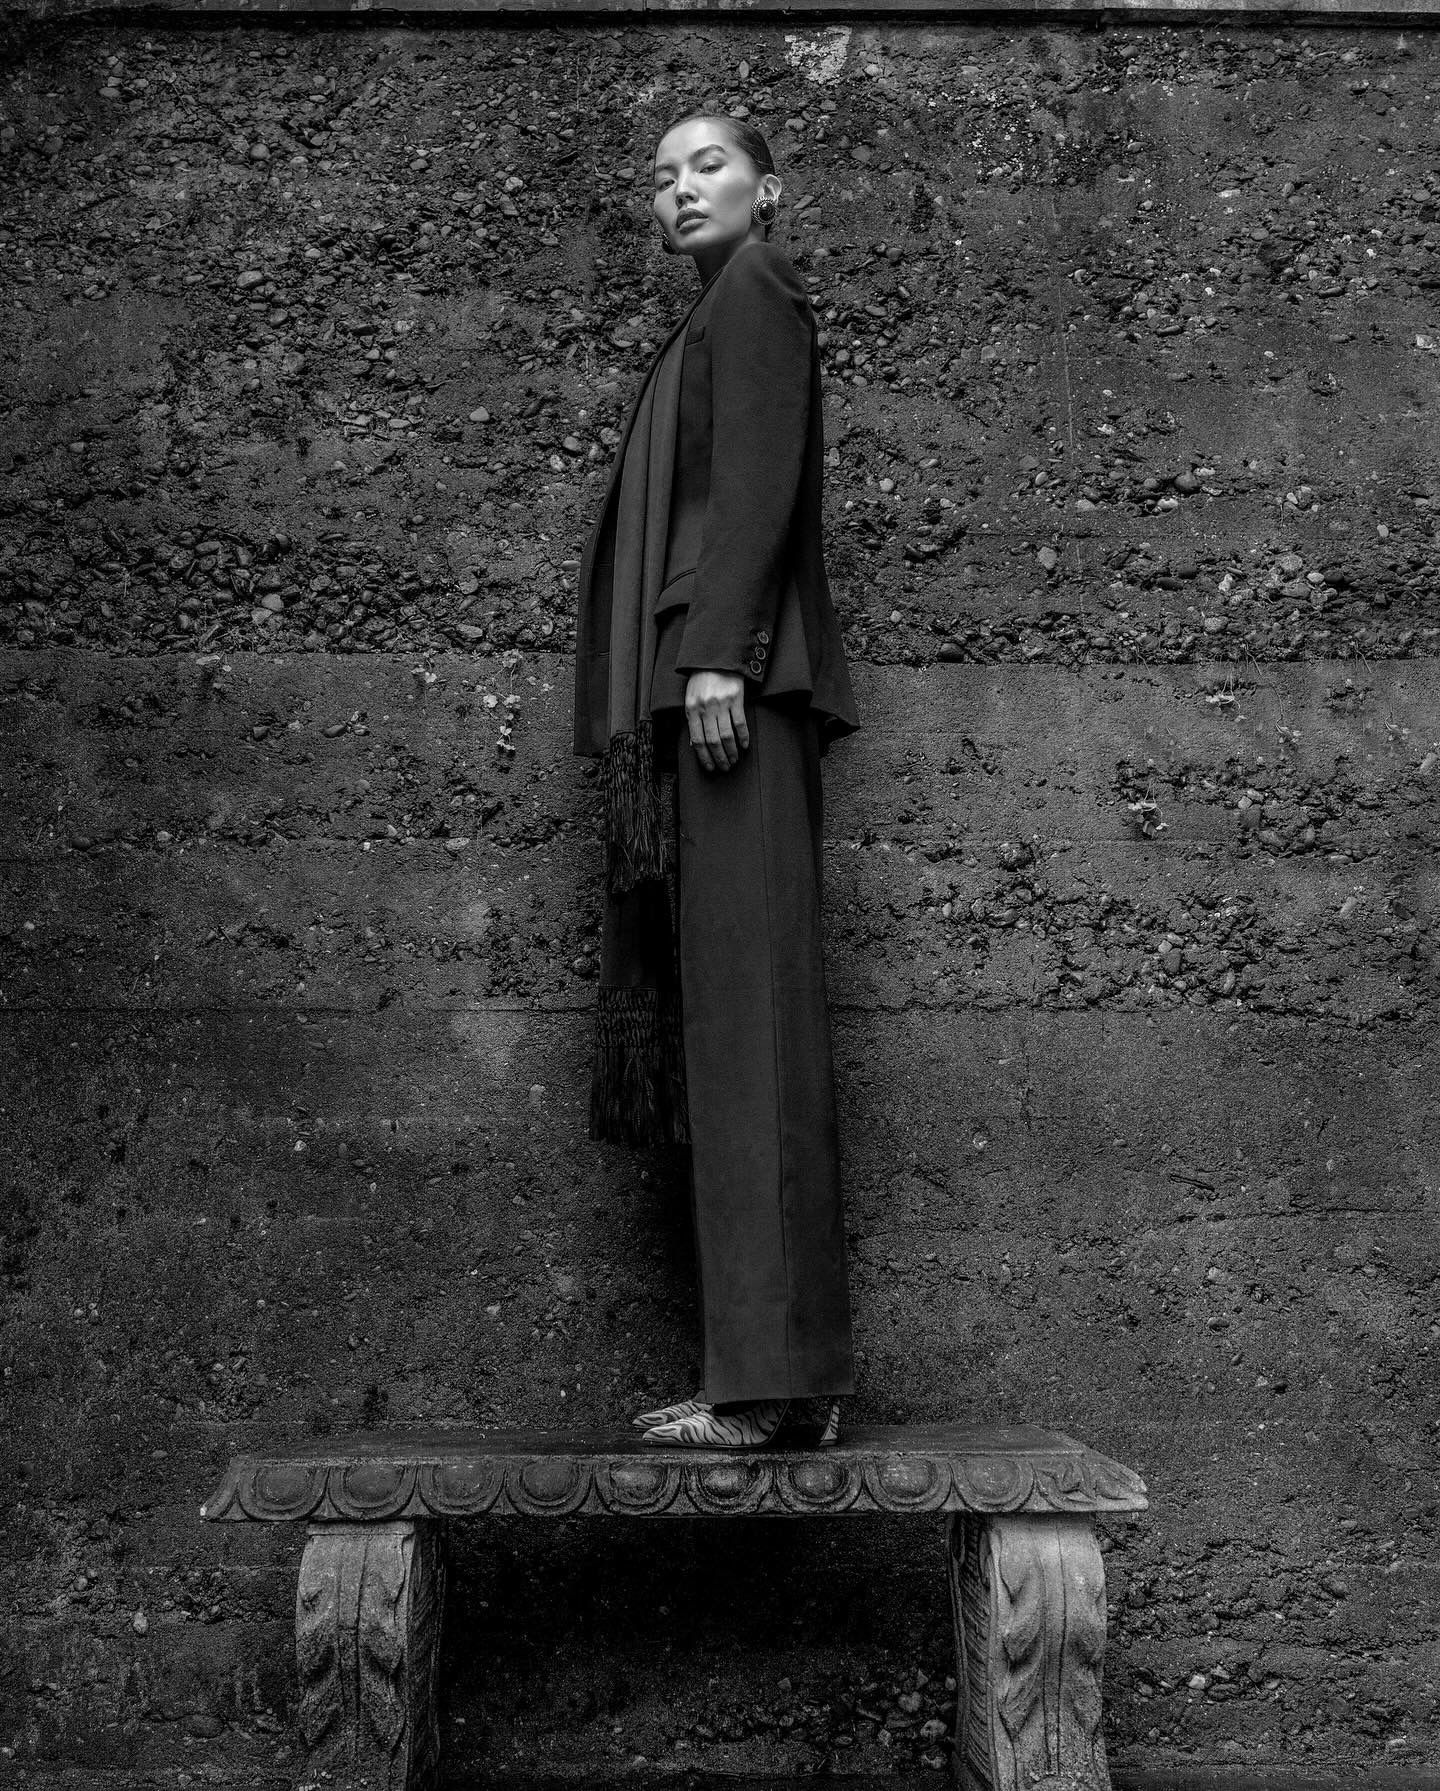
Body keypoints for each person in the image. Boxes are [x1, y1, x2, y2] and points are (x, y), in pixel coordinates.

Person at [573, 110, 860, 1449]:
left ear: (768, 189)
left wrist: (718, 659)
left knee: (749, 1025)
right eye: (663, 177)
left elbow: (756, 482)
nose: (680, 191)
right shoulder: (706, 316)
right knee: (733, 1028)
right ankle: (772, 1378)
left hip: (729, 692)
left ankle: (769, 1387)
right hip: (712, 692)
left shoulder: (757, 287)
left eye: (709, 167)